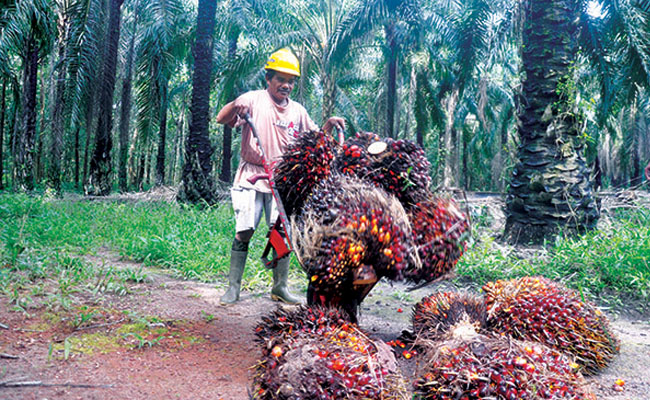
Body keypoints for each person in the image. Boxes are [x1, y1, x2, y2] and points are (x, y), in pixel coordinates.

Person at [216, 48, 345, 305]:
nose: (286, 85)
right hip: (252, 175)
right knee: (245, 230)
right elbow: (221, 118)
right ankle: (233, 288)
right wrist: (234, 106)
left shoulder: (297, 110)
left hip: (283, 180)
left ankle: (280, 287)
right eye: (280, 80)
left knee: (283, 233)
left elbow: (315, 139)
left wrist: (328, 126)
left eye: (290, 81)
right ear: (268, 79)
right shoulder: (253, 99)